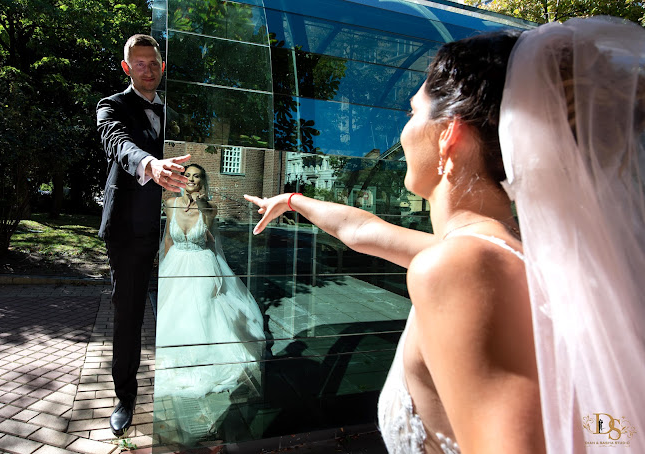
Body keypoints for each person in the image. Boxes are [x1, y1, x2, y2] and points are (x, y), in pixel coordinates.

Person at [245, 16, 645, 454]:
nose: (402, 131)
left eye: (413, 112)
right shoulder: (497, 252)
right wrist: (292, 201)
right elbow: (363, 230)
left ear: (449, 135)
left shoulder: (461, 267)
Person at [96, 33, 191, 437]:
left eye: (154, 63)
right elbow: (118, 144)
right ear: (126, 67)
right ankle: (125, 397)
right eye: (139, 63)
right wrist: (151, 165)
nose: (148, 69)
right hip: (128, 230)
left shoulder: (176, 114)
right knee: (129, 315)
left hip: (175, 230)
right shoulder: (111, 106)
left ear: (162, 66)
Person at [155, 164, 265, 436]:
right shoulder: (170, 204)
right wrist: (164, 269)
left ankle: (203, 357)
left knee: (202, 309)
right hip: (176, 262)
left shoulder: (210, 208)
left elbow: (210, 236)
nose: (191, 179)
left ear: (203, 181)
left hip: (202, 263)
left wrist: (200, 202)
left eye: (197, 176)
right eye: (187, 175)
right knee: (175, 311)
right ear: (182, 179)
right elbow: (168, 239)